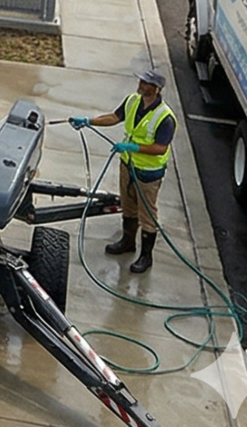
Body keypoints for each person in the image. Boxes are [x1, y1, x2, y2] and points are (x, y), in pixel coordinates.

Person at [70, 67, 176, 275]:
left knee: (147, 214)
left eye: (145, 83)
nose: (140, 84)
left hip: (148, 173)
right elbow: (114, 117)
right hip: (128, 166)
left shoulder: (165, 118)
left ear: (155, 89)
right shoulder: (132, 101)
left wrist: (133, 147)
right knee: (128, 207)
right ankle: (128, 242)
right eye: (141, 81)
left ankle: (146, 256)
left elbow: (160, 147)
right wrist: (89, 121)